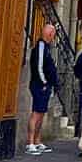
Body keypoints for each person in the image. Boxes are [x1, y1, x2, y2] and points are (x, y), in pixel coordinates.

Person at [26, 23, 59, 155]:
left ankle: (37, 141)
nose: (54, 37)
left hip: (45, 85)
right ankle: (30, 143)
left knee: (41, 113)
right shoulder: (40, 46)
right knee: (36, 113)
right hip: (40, 85)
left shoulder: (46, 47)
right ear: (49, 34)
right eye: (53, 34)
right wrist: (44, 82)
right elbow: (39, 66)